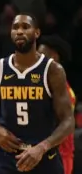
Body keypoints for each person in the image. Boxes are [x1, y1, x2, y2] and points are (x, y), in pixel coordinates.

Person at [0, 14, 75, 173]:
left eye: (25, 27)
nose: (20, 31)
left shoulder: (52, 70)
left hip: (43, 157)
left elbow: (68, 121)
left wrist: (43, 147)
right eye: (15, 27)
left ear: (36, 33)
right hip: (7, 157)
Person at [38, 35, 76, 174]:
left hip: (58, 158)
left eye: (41, 55)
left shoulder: (63, 91)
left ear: (53, 58)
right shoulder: (43, 86)